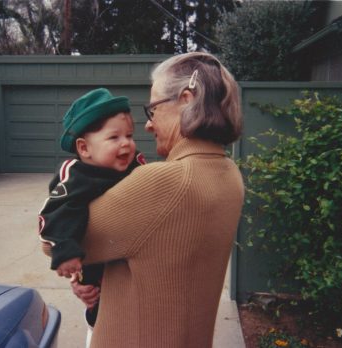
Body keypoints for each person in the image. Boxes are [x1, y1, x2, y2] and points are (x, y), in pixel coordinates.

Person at [69, 52, 244, 348]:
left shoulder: (162, 182)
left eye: (153, 110)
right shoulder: (231, 175)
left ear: (186, 99)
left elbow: (53, 240)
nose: (148, 125)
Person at [38, 88, 145, 342]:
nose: (126, 144)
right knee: (95, 300)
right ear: (84, 148)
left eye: (129, 135)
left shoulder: (136, 168)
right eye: (114, 137)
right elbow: (56, 212)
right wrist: (65, 252)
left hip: (131, 270)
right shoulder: (76, 175)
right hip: (93, 265)